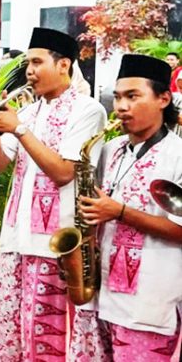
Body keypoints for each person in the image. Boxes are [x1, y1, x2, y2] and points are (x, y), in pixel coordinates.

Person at [0, 28, 107, 361]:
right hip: (15, 239)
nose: (29, 71)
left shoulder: (88, 110)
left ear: (63, 64)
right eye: (28, 64)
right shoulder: (28, 111)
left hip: (54, 245)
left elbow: (64, 172)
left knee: (47, 336)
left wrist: (18, 129)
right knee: (7, 330)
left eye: (37, 62)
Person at [70, 54, 182, 362]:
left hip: (146, 306)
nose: (121, 106)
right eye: (118, 97)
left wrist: (119, 212)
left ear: (163, 99)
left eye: (133, 96)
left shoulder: (178, 156)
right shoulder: (110, 149)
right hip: (98, 298)